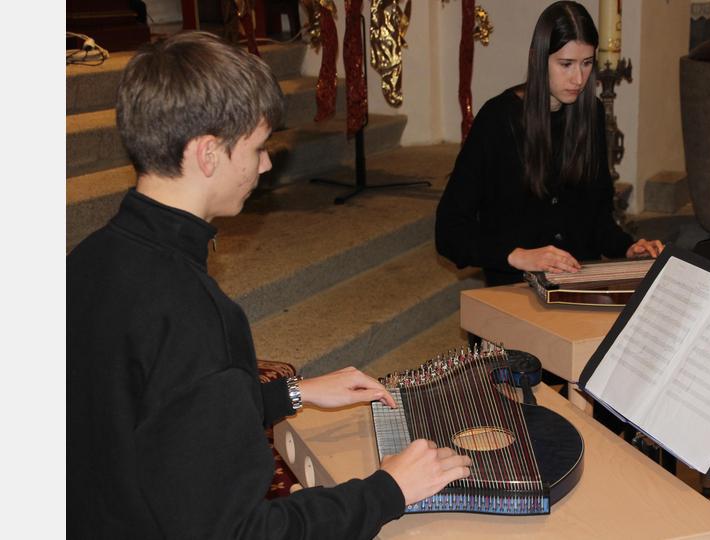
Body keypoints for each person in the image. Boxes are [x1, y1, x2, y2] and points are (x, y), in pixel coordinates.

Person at [67, 31, 470, 539]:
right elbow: (240, 533)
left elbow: (156, 410)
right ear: (209, 153)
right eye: (257, 147)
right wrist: (387, 489)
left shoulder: (89, 259)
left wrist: (291, 394)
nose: (265, 164)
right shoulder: (193, 313)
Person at [435, 0, 664, 289]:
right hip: (514, 290)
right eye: (565, 64)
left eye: (587, 63)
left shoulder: (590, 114)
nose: (578, 78)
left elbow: (597, 220)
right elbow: (449, 232)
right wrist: (518, 256)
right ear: (537, 58)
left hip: (577, 286)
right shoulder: (498, 120)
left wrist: (629, 247)